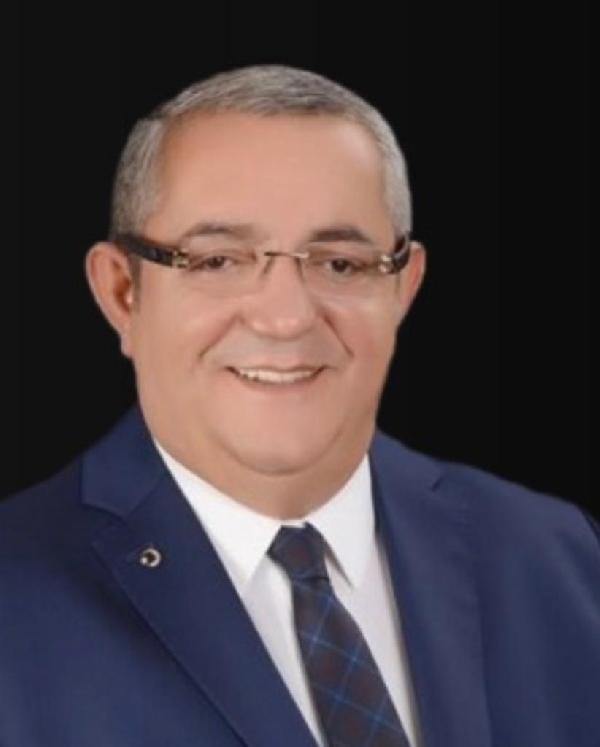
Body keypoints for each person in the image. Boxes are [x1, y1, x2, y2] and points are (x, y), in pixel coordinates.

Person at [1, 64, 598, 747]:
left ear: (403, 288)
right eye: (217, 260)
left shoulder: (560, 561)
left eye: (340, 263)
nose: (285, 317)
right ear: (122, 293)